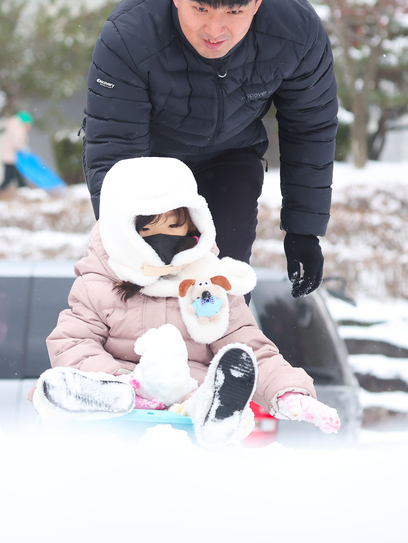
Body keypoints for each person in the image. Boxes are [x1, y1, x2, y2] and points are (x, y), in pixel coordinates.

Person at [84, 0, 338, 298]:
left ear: (258, 0)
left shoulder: (295, 30)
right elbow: (113, 149)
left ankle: (224, 351)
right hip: (149, 167)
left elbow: (310, 126)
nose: (215, 30)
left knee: (221, 281)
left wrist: (304, 229)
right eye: (200, 9)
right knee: (149, 284)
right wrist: (125, 234)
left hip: (231, 159)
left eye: (234, 13)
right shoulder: (130, 36)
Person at [31, 157, 339, 448]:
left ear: (192, 222)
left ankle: (215, 413)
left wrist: (287, 390)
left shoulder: (211, 282)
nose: (162, 236)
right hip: (119, 410)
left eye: (173, 225)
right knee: (56, 385)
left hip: (185, 405)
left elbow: (249, 349)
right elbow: (72, 341)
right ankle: (96, 393)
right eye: (147, 228)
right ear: (122, 229)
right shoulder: (100, 280)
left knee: (210, 404)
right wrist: (124, 382)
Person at [0, 110, 33, 195]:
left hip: (9, 156)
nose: (29, 127)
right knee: (10, 177)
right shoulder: (17, 128)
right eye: (29, 124)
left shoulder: (13, 126)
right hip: (11, 157)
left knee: (14, 177)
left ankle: (24, 191)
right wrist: (23, 148)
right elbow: (17, 142)